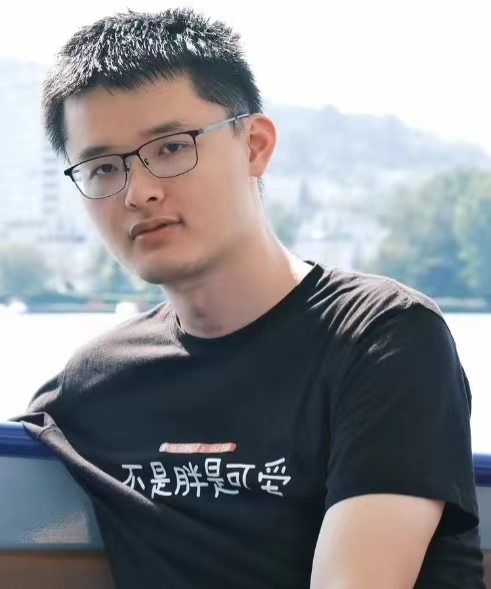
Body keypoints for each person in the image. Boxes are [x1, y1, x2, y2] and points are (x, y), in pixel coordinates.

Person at [13, 7, 485, 589]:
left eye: (171, 148)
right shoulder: (93, 385)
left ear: (255, 145)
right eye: (103, 167)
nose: (138, 192)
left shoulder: (382, 338)